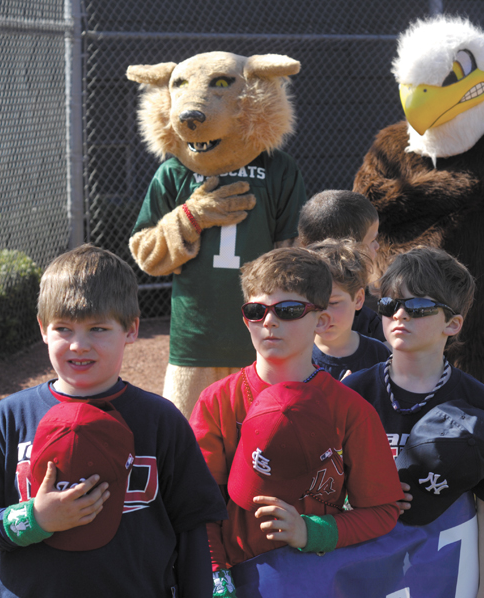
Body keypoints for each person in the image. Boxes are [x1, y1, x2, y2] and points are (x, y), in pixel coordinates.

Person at [0, 244, 227, 598]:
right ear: (43, 329)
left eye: (98, 328)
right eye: (63, 328)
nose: (79, 345)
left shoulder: (161, 421)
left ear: (131, 329)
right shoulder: (10, 418)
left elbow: (193, 526)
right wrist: (34, 519)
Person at [189, 247, 402, 595]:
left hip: (316, 577)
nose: (269, 322)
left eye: (288, 310)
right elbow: (198, 506)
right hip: (238, 577)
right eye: (256, 311)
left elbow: (382, 511)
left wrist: (311, 531)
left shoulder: (349, 408)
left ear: (320, 319)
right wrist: (215, 575)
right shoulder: (218, 401)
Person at [343, 246, 484, 598]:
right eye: (389, 304)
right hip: (363, 565)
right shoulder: (353, 393)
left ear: (452, 324)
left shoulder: (479, 403)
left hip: (445, 567)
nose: (400, 315)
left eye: (417, 307)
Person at [298, 189, 384, 341]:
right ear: (348, 250)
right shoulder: (368, 322)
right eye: (372, 240)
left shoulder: (287, 303)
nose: (377, 246)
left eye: (334, 303)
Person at [308, 238, 390, 380]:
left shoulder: (378, 354)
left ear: (358, 299)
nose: (323, 314)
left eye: (333, 302)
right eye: (313, 303)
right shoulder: (296, 355)